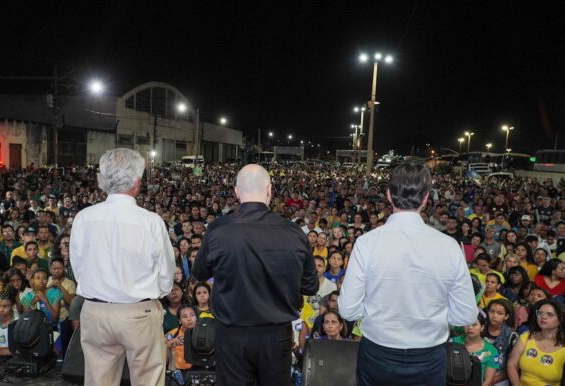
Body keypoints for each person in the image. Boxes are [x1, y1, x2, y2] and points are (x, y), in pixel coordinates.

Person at [339, 162, 476, 386]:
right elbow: (465, 314)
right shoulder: (449, 246)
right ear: (425, 198)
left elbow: (348, 309)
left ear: (389, 195)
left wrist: (378, 316)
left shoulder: (367, 243)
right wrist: (432, 318)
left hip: (377, 353)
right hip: (429, 356)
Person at [192, 163, 318, 386]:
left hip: (232, 335)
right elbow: (310, 286)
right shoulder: (292, 231)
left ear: (236, 192)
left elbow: (200, 272)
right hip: (276, 336)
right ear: (270, 189)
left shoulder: (219, 229)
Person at [70, 148, 175, 386]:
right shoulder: (150, 222)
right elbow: (166, 275)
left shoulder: (83, 218)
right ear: (137, 182)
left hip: (95, 312)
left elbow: (77, 266)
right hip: (138, 313)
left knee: (98, 381)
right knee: (148, 380)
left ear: (102, 181)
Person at [507, 299, 565, 386]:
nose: (543, 316)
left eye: (549, 314)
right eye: (540, 313)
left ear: (560, 319)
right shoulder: (526, 337)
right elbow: (512, 364)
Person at [451, 313, 499, 386]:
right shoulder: (453, 342)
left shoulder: (492, 351)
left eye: (474, 325)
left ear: (482, 327)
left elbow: (488, 381)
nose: (470, 327)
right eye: (467, 324)